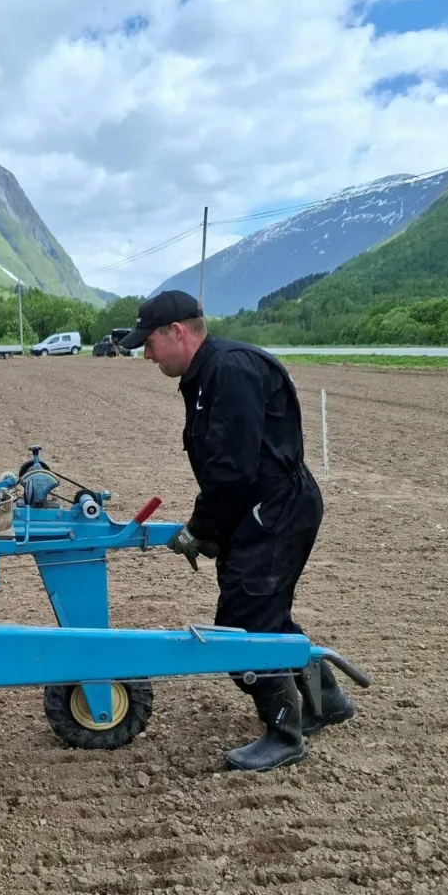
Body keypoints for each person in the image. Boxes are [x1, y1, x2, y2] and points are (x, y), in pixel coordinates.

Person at [120, 290, 354, 772]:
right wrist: (213, 528)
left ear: (177, 333)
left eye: (149, 341)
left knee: (244, 625)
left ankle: (285, 733)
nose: (144, 352)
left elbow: (232, 471)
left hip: (275, 509)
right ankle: (327, 700)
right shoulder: (209, 373)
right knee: (264, 610)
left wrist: (199, 529)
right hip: (260, 508)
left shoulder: (230, 372)